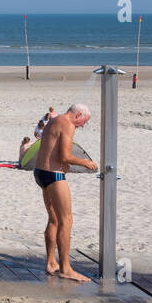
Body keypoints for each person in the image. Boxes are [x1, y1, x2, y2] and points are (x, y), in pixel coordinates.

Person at [34, 104, 97, 281]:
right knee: (66, 220)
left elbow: (53, 150)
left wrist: (65, 163)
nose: (83, 125)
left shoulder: (54, 120)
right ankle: (66, 268)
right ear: (78, 115)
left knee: (53, 219)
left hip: (40, 172)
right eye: (84, 122)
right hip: (53, 175)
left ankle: (51, 262)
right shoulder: (67, 124)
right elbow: (64, 156)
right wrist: (86, 163)